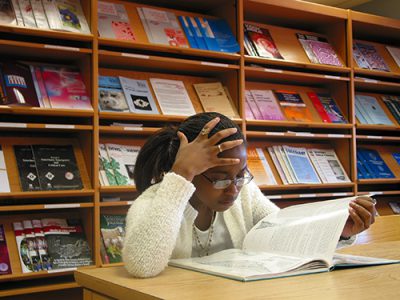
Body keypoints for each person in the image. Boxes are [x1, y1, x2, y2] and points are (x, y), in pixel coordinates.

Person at [122, 112, 376, 278]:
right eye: (220, 178)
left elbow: (284, 233)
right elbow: (142, 265)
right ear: (192, 171)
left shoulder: (244, 193)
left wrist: (339, 231)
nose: (234, 189)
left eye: (240, 174)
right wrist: (179, 176)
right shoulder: (156, 201)